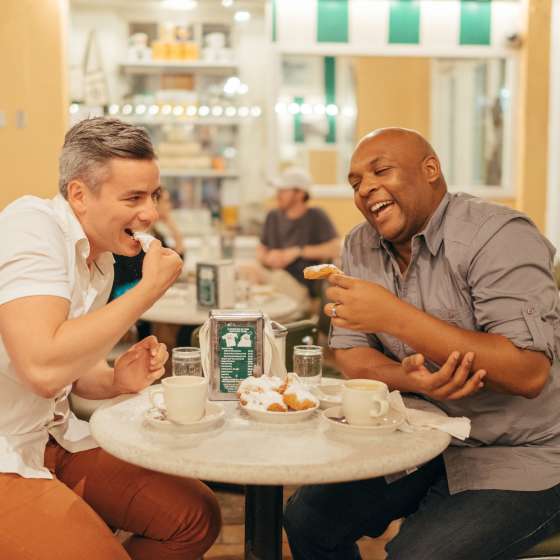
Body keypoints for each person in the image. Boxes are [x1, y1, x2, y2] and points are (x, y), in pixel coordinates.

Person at [283, 127, 560, 560]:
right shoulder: (360, 244)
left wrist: (394, 317)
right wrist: (412, 380)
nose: (366, 188)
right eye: (355, 182)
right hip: (423, 437)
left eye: (381, 171)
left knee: (415, 555)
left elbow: (527, 372)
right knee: (306, 519)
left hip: (523, 451)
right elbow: (351, 355)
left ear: (430, 170)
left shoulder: (499, 236)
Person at [0, 117, 221, 559]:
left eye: (153, 196)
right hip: (6, 452)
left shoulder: (98, 259)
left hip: (55, 437)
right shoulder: (31, 226)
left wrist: (116, 380)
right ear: (79, 195)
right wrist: (147, 291)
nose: (151, 214)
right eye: (134, 198)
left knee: (196, 517)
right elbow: (42, 369)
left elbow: (74, 373)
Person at [256, 167, 340, 306]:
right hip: (273, 276)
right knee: (246, 270)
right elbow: (260, 249)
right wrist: (268, 258)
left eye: (283, 190)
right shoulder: (272, 216)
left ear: (300, 193)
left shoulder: (316, 216)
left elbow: (335, 249)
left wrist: (297, 252)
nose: (278, 195)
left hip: (300, 285)